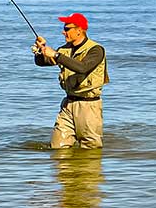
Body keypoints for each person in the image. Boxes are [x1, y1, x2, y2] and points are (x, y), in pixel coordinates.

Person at [33, 12, 109, 149]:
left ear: (79, 30)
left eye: (67, 29)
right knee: (57, 148)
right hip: (68, 105)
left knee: (91, 150)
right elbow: (42, 62)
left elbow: (83, 68)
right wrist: (40, 50)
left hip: (89, 107)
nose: (63, 32)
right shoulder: (64, 49)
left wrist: (56, 55)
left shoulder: (96, 50)